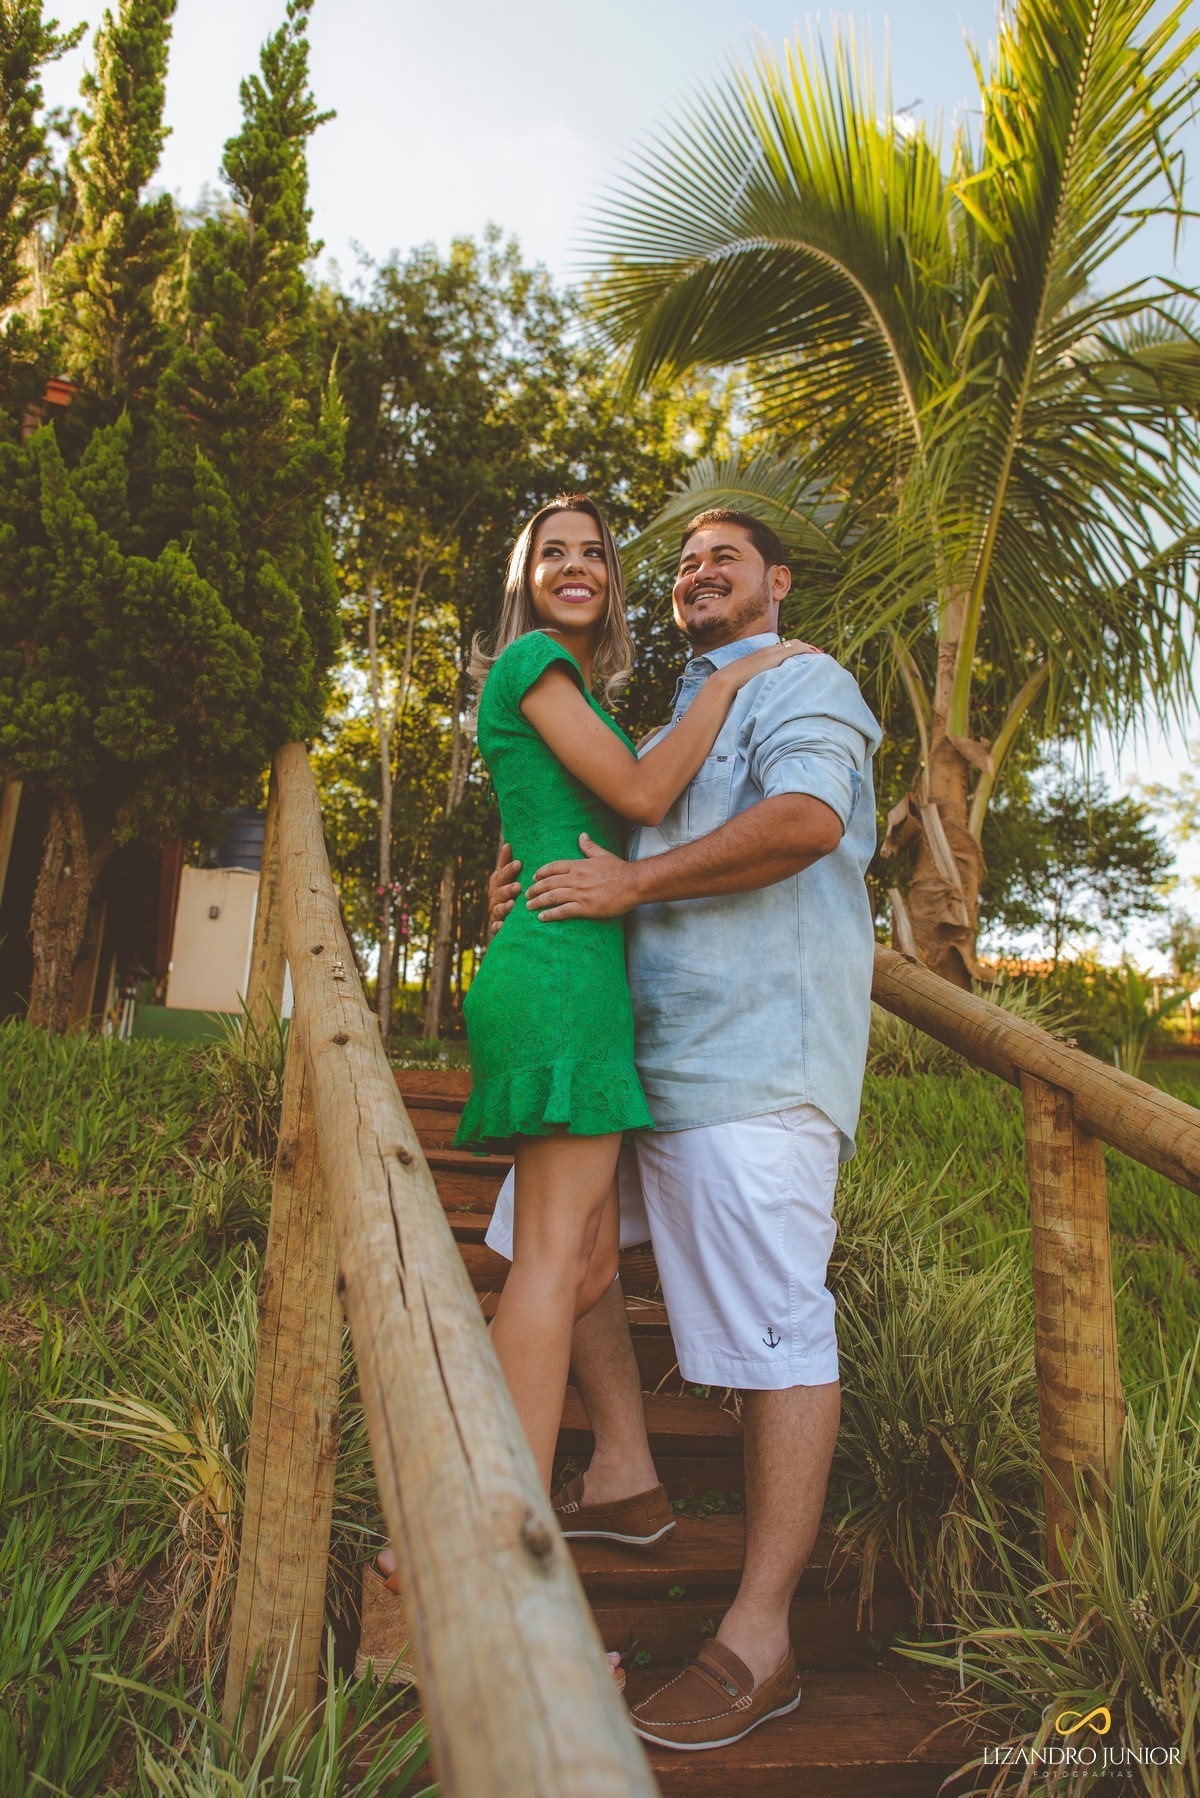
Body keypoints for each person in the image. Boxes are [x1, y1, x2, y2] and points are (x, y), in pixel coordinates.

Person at [360, 496, 807, 1687]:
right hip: (559, 978)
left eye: (593, 553)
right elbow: (649, 798)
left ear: (610, 579)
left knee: (590, 1262)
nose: (575, 565)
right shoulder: (533, 660)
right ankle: (489, 1530)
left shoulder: (578, 692)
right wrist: (733, 679)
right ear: (526, 581)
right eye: (551, 552)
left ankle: (508, 1510)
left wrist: (512, 867)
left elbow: (573, 814)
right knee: (558, 1260)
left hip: (571, 972)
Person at [485, 505, 881, 1752]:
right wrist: (535, 868)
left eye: (726, 556)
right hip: (638, 1054)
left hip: (754, 1067)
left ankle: (760, 1638)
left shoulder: (802, 681)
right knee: (549, 1249)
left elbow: (808, 820)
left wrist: (634, 876)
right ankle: (624, 1474)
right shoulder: (657, 717)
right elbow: (614, 815)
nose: (696, 571)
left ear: (777, 582)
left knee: (775, 1331)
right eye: (683, 562)